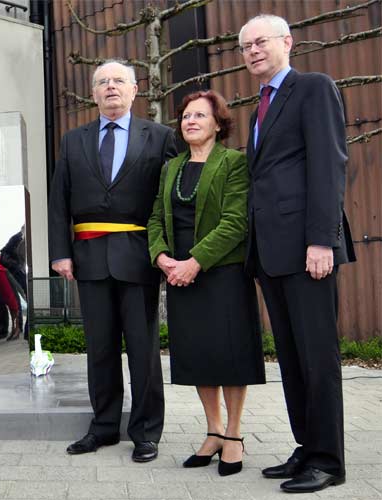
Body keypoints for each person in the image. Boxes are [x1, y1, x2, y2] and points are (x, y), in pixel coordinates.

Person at [239, 14, 355, 493]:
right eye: (244, 47)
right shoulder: (258, 109)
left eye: (260, 41)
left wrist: (321, 239)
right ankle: (306, 448)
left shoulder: (314, 88)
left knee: (316, 357)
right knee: (289, 357)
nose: (251, 51)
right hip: (272, 254)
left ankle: (328, 461)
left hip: (308, 249)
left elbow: (329, 165)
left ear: (287, 41)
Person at [48, 59, 177, 461]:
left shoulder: (160, 137)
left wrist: (170, 253)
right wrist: (59, 253)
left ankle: (146, 432)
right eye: (102, 82)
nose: (110, 87)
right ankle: (104, 427)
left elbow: (172, 199)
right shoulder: (73, 141)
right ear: (93, 93)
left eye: (118, 81)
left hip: (139, 256)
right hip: (89, 258)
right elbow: (58, 202)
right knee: (99, 348)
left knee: (142, 349)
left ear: (134, 90)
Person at [147, 90, 265, 476]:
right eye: (185, 116)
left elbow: (235, 222)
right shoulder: (172, 167)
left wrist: (195, 262)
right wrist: (162, 257)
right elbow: (155, 219)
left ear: (218, 123)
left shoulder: (233, 163)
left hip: (222, 274)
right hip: (179, 275)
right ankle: (213, 431)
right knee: (198, 358)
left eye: (200, 115)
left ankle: (234, 435)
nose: (191, 121)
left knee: (229, 356)